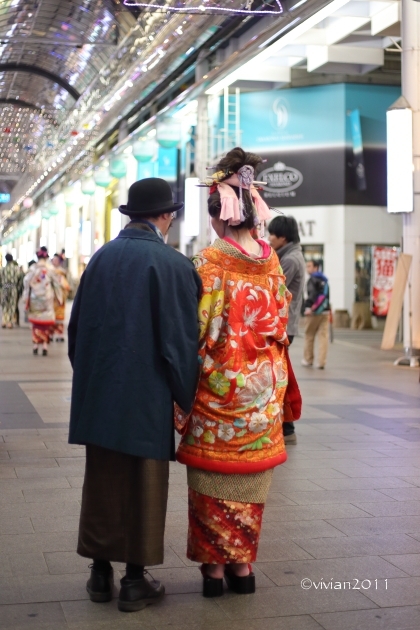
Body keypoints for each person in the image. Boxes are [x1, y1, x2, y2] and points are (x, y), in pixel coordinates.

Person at [68, 178, 201, 613]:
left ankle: (99, 574)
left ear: (130, 216)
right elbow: (180, 345)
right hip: (146, 399)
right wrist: (189, 398)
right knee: (144, 484)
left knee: (103, 481)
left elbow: (76, 335)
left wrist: (92, 381)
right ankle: (133, 580)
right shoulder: (175, 266)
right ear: (166, 216)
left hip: (100, 395)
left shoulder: (100, 259)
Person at [175, 147, 296, 598]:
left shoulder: (208, 265)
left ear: (221, 213)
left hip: (217, 399)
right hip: (263, 397)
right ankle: (242, 567)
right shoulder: (271, 264)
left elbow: (196, 332)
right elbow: (280, 326)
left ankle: (212, 571)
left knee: (209, 487)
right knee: (249, 488)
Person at [268, 215, 305, 445]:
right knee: (281, 375)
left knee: (280, 377)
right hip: (284, 325)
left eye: (273, 234)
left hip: (283, 326)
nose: (269, 238)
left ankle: (288, 428)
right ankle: (286, 427)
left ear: (284, 237)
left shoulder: (290, 259)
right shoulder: (289, 255)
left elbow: (273, 288)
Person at [23, 247, 62, 356]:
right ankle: (44, 345)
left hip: (35, 298)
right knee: (45, 323)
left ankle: (35, 345)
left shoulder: (33, 268)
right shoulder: (50, 269)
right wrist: (59, 298)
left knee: (36, 322)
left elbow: (26, 282)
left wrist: (26, 296)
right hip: (47, 299)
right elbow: (57, 284)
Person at [302, 260, 330, 369]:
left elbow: (312, 295)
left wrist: (308, 307)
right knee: (323, 337)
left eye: (309, 266)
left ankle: (308, 359)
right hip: (325, 311)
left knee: (309, 335)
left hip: (313, 313)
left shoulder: (312, 280)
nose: (307, 268)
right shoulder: (325, 279)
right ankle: (321, 362)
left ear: (316, 267)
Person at [0, 253, 23, 329]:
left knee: (4, 304)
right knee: (12, 305)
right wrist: (19, 289)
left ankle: (4, 321)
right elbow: (20, 279)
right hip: (13, 288)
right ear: (12, 259)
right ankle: (9, 322)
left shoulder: (3, 269)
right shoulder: (16, 269)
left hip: (5, 288)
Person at [51, 253, 70, 342]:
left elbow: (66, 285)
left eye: (56, 260)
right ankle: (50, 334)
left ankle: (59, 334)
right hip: (51, 297)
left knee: (59, 316)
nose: (54, 262)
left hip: (59, 297)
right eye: (53, 260)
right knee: (51, 316)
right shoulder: (49, 272)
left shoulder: (61, 273)